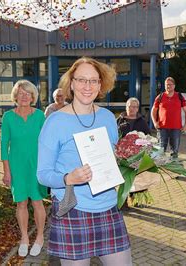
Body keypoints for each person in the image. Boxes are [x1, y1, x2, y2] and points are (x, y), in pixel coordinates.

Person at [37, 57, 132, 265]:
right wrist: (68, 177)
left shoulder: (108, 117)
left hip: (108, 208)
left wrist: (131, 171)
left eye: (93, 81)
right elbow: (43, 174)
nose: (87, 86)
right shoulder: (55, 122)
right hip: (73, 210)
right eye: (81, 80)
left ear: (100, 85)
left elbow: (113, 159)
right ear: (71, 83)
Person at [1, 80, 48, 257]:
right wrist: (6, 171)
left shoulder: (40, 116)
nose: (24, 96)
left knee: (37, 201)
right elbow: (4, 145)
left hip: (36, 165)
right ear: (15, 96)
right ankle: (24, 238)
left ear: (33, 97)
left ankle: (40, 237)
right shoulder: (8, 117)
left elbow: (46, 143)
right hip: (17, 166)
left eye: (28, 94)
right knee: (21, 202)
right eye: (21, 93)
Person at [151, 77, 186, 159]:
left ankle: (173, 165)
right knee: (160, 150)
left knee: (174, 151)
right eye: (167, 85)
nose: (168, 86)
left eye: (170, 85)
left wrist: (185, 124)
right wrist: (154, 122)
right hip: (162, 128)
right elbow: (153, 110)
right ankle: (160, 166)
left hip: (176, 128)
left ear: (174, 86)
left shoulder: (179, 96)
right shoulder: (160, 97)